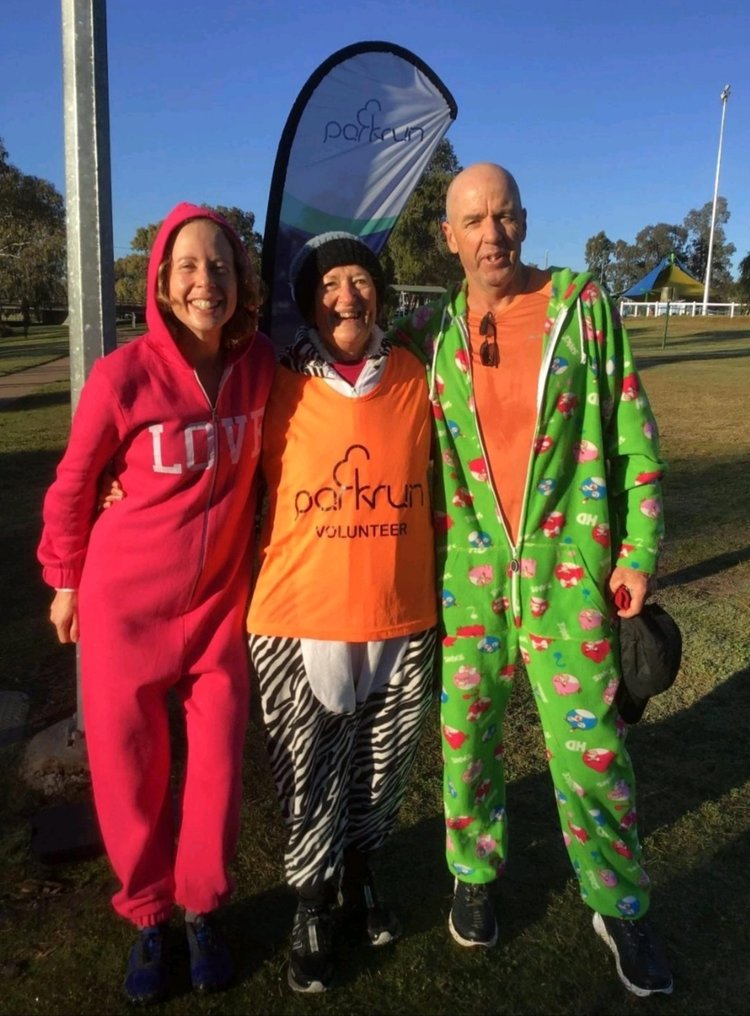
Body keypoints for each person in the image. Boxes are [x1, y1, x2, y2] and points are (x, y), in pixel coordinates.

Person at [393, 163, 673, 997]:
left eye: (505, 216)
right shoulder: (436, 338)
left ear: (524, 219)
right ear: (449, 237)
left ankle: (617, 902)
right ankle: (473, 875)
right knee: (465, 742)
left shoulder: (582, 310)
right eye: (473, 221)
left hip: (570, 575)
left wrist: (638, 551)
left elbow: (635, 438)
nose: (492, 236)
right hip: (471, 580)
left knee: (592, 752)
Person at [37, 203, 275, 1004]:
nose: (205, 280)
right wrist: (65, 577)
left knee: (215, 768)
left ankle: (203, 908)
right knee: (129, 771)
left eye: (221, 265)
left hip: (216, 611)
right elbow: (75, 483)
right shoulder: (123, 375)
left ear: (243, 282)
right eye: (188, 268)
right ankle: (148, 918)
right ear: (163, 286)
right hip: (123, 610)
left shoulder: (261, 368)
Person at [246, 232, 437, 993]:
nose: (347, 296)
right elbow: (210, 458)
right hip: (301, 613)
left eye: (360, 280)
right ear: (307, 303)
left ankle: (359, 875)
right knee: (308, 774)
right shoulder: (272, 385)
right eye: (330, 286)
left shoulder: (418, 377)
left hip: (401, 609)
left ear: (381, 293)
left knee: (381, 770)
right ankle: (310, 902)